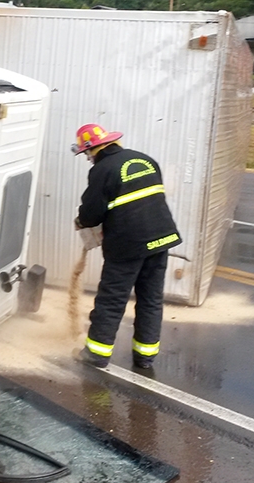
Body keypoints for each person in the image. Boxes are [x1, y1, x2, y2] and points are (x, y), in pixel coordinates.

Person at [73, 123, 181, 370]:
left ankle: (97, 353)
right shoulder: (146, 160)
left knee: (112, 298)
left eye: (87, 154)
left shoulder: (102, 169)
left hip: (128, 245)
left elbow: (91, 213)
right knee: (151, 298)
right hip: (161, 238)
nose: (88, 159)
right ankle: (145, 356)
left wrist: (82, 220)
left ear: (93, 150)